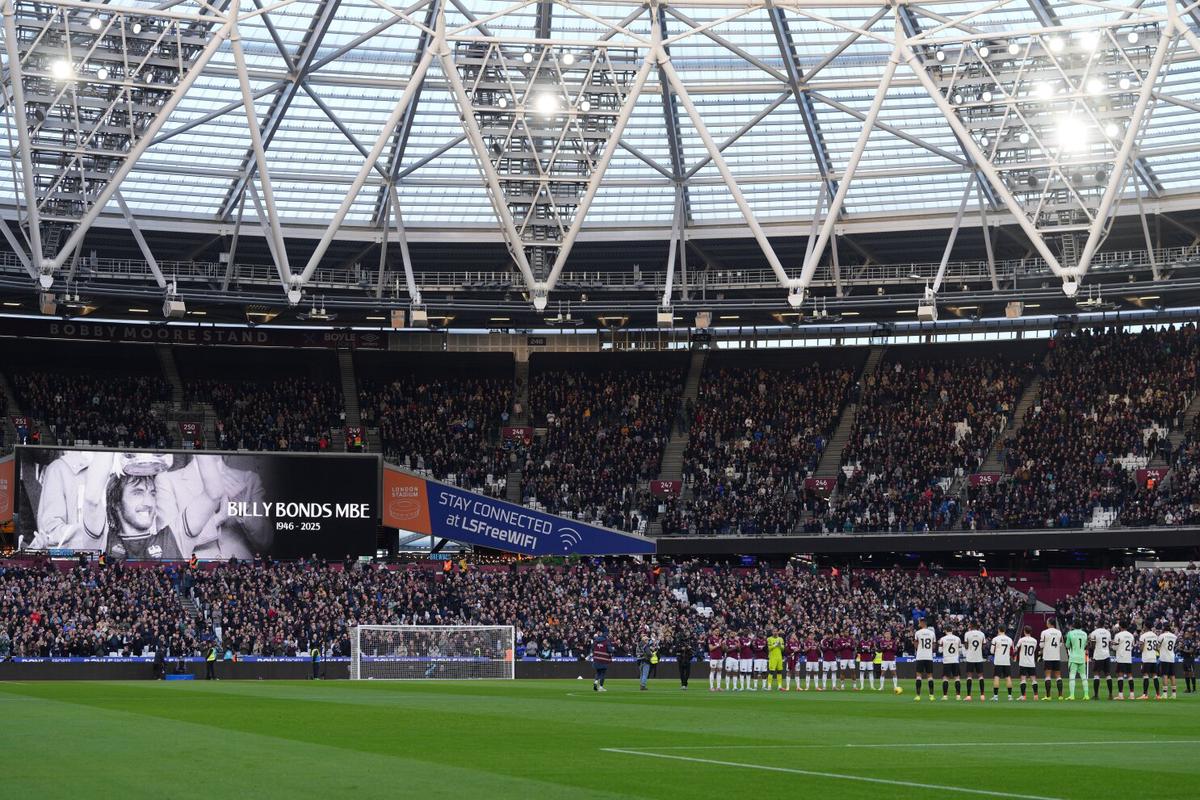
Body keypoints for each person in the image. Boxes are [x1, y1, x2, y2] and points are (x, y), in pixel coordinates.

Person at [1039, 617, 1064, 700]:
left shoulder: (1044, 632)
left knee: (1048, 676)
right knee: (1058, 676)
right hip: (1056, 656)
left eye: (1047, 622)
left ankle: (1048, 696)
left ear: (1049, 623)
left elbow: (1041, 645)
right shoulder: (1059, 632)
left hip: (1048, 657)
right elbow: (1061, 644)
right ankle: (1060, 696)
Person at [1088, 623, 1114, 701]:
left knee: (1096, 674)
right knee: (1108, 674)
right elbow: (1109, 645)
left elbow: (1093, 646)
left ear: (1097, 625)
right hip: (1106, 654)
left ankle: (1096, 695)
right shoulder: (1108, 632)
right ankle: (1110, 695)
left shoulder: (1094, 632)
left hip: (1098, 655)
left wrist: (1090, 643)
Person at [913, 619, 936, 701]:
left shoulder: (917, 633)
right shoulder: (932, 633)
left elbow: (915, 645)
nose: (918, 624)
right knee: (930, 676)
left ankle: (918, 696)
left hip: (920, 656)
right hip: (929, 657)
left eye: (919, 623)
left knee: (919, 676)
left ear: (923, 623)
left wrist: (920, 648)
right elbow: (934, 646)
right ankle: (931, 695)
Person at [1065, 623, 1089, 700]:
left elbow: (1067, 645)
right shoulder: (1085, 634)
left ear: (1073, 626)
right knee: (1084, 677)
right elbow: (1085, 645)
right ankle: (1086, 695)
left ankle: (1072, 695)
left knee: (1072, 676)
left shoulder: (1070, 633)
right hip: (1082, 657)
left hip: (1073, 657)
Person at [963, 624, 987, 701]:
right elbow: (984, 646)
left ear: (971, 626)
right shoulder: (982, 634)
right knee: (981, 676)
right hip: (979, 657)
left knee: (969, 676)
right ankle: (982, 695)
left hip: (970, 658)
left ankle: (969, 696)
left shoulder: (967, 633)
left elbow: (966, 646)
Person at [990, 625, 1014, 701]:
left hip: (998, 661)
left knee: (997, 677)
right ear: (1005, 630)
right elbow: (1012, 652)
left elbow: (991, 651)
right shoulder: (1010, 639)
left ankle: (995, 696)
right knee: (1008, 677)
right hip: (1006, 661)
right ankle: (1010, 696)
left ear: (998, 630)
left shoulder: (995, 639)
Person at [938, 627, 963, 701]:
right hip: (955, 660)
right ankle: (958, 696)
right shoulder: (957, 638)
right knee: (957, 678)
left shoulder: (943, 639)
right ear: (952, 630)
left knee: (945, 678)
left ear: (945, 631)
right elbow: (960, 651)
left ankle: (945, 696)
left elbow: (939, 651)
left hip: (946, 660)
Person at [1113, 624, 1136, 700]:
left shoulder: (1118, 635)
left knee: (1120, 675)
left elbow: (1115, 647)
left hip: (1121, 657)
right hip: (1128, 657)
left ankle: (1120, 695)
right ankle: (1132, 695)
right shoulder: (1131, 635)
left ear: (1120, 627)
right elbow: (1132, 646)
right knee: (1130, 675)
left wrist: (1112, 645)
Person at [1016, 626, 1040, 701]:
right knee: (1033, 679)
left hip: (1023, 662)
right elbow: (1034, 650)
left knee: (1023, 679)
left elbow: (1016, 648)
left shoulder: (1021, 639)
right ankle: (1036, 695)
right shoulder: (1034, 641)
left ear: (1024, 631)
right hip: (1031, 662)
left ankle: (1023, 696)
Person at [1156, 625, 1177, 700]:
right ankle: (1174, 694)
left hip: (1164, 657)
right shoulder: (1174, 636)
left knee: (1164, 675)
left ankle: (1165, 694)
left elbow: (1157, 646)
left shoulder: (1162, 635)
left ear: (1164, 629)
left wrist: (1159, 650)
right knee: (1172, 675)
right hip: (1172, 657)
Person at [1139, 625, 1160, 700]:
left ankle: (1145, 694)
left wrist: (1140, 646)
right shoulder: (1155, 635)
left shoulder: (1143, 636)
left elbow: (1141, 649)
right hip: (1153, 658)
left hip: (1146, 658)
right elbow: (1157, 647)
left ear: (1145, 627)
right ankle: (1158, 695)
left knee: (1145, 675)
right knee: (1155, 676)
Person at [590, 627, 611, 692]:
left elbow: (592, 648)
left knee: (598, 672)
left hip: (596, 659)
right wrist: (613, 649)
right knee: (603, 673)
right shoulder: (606, 641)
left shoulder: (596, 640)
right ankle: (601, 687)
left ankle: (596, 682)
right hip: (603, 660)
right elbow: (610, 650)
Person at [706, 627, 724, 692]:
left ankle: (718, 687)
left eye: (718, 631)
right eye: (716, 631)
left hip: (720, 657)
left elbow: (722, 649)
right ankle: (711, 687)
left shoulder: (720, 639)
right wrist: (718, 644)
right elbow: (710, 648)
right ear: (713, 632)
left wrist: (722, 644)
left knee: (719, 671)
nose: (717, 632)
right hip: (713, 657)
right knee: (712, 671)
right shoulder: (710, 639)